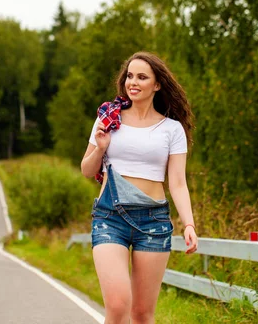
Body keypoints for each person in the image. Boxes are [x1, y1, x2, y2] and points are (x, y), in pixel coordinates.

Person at [81, 51, 198, 324]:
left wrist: (189, 224)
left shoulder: (172, 130)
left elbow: (178, 184)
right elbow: (87, 170)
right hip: (110, 218)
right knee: (119, 305)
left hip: (153, 222)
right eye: (129, 76)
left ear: (157, 85)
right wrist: (100, 148)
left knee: (143, 314)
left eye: (142, 77)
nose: (133, 82)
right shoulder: (108, 120)